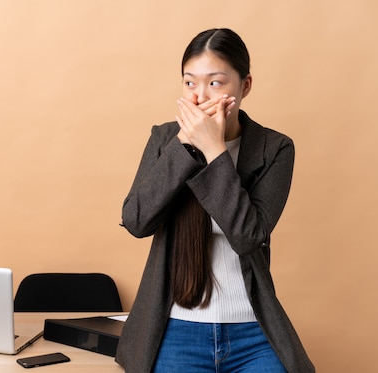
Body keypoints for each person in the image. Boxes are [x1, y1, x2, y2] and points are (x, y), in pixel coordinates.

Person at [115, 28, 315, 373]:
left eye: (215, 82)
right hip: (174, 329)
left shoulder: (275, 148)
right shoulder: (165, 139)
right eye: (189, 83)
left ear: (245, 85)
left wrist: (214, 150)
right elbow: (136, 220)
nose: (199, 96)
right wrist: (186, 147)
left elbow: (248, 236)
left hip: (253, 330)